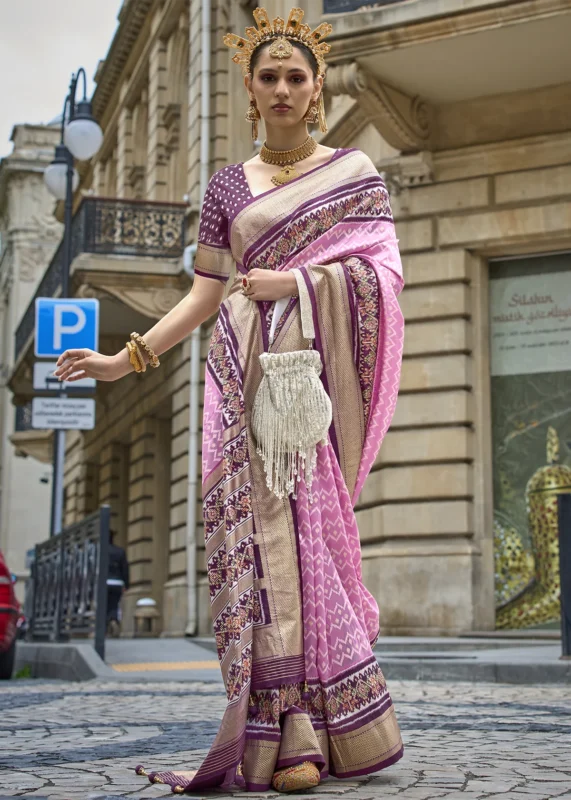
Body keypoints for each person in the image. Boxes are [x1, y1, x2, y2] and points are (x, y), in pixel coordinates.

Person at [55, 7, 405, 794]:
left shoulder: (354, 174)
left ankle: (322, 723)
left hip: (303, 391)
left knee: (309, 543)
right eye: (268, 77)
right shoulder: (225, 188)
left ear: (315, 89)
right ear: (250, 90)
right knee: (256, 547)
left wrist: (300, 282)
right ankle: (285, 728)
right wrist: (126, 358)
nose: (282, 88)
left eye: (295, 76)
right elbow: (205, 293)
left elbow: (382, 278)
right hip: (236, 384)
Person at [106, 530, 130, 637]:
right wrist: (127, 584)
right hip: (117, 582)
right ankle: (114, 619)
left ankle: (106, 625)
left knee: (104, 605)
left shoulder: (100, 552)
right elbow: (125, 569)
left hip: (104, 582)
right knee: (114, 604)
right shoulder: (120, 551)